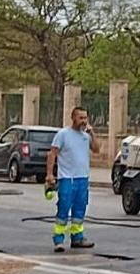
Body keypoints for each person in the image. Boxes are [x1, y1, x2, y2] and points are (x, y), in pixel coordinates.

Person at [44, 106, 102, 253]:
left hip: (82, 178)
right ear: (73, 118)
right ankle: (58, 240)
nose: (83, 121)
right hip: (67, 178)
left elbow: (96, 149)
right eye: (80, 118)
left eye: (85, 118)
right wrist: (50, 174)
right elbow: (52, 154)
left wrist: (92, 133)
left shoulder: (85, 136)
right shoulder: (63, 134)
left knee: (80, 209)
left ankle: (77, 237)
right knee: (63, 207)